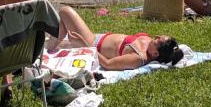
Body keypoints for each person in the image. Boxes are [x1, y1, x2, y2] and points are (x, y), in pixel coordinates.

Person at [46, 5, 183, 70]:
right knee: (61, 29)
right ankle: (51, 46)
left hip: (92, 43)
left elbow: (107, 64)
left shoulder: (138, 58)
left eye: (158, 40)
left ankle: (51, 47)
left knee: (65, 12)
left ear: (155, 53)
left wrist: (85, 46)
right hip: (96, 37)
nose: (157, 36)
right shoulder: (149, 46)